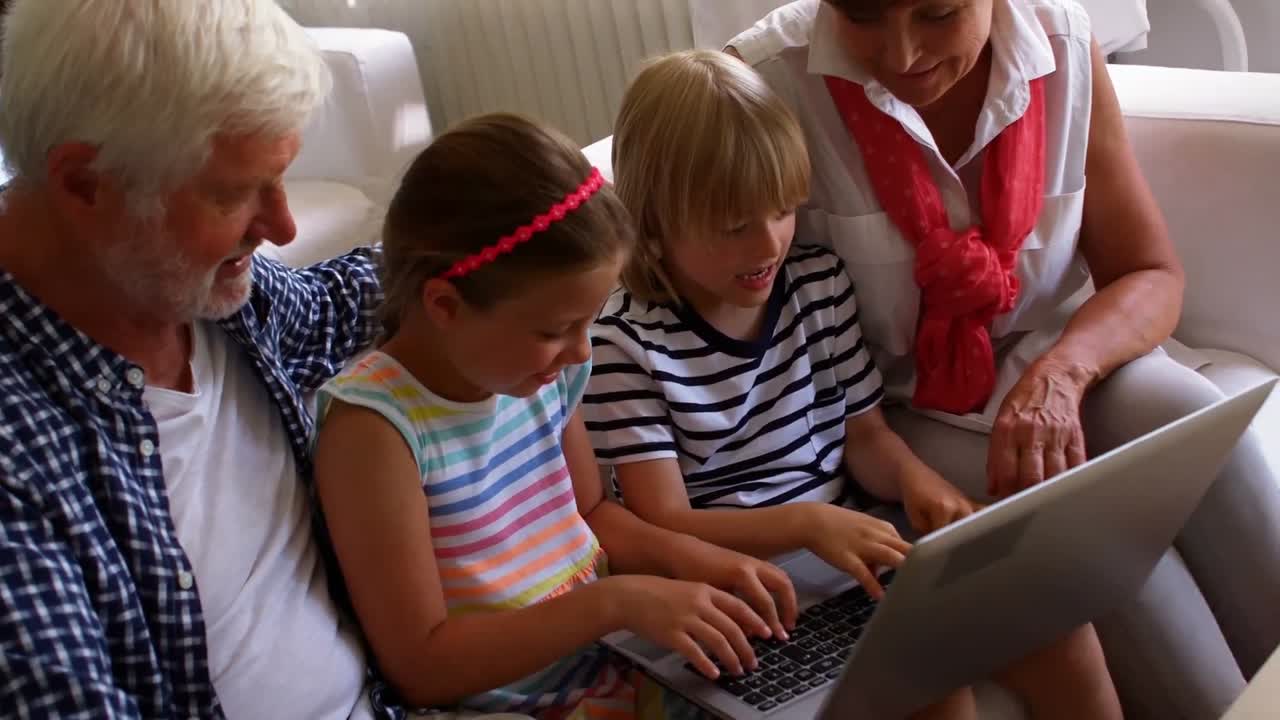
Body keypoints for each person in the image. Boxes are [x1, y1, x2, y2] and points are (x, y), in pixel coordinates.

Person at [724, 0, 1280, 717]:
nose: (901, 55)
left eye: (938, 13)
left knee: (1196, 421)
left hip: (1058, 351)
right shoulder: (766, 80)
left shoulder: (1063, 44)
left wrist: (1064, 372)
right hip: (894, 408)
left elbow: (1148, 271)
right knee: (1084, 525)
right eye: (861, 16)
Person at [585, 48, 1121, 720]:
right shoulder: (622, 345)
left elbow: (866, 436)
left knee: (1057, 625)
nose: (767, 245)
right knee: (933, 689)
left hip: (844, 567)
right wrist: (809, 523)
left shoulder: (817, 283)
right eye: (732, 227)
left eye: (782, 211)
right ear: (653, 227)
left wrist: (920, 485)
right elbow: (663, 520)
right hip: (734, 599)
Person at [312, 112, 799, 719]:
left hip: (616, 662)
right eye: (555, 329)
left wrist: (703, 565)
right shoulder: (375, 427)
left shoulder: (540, 373)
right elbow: (422, 666)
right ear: (444, 303)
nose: (581, 353)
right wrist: (616, 602)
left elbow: (592, 513)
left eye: (587, 323)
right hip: (512, 702)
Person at [0, 0, 388, 716]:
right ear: (86, 184)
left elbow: (342, 303)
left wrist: (525, 229)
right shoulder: (17, 450)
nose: (282, 225)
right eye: (234, 193)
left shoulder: (192, 289)